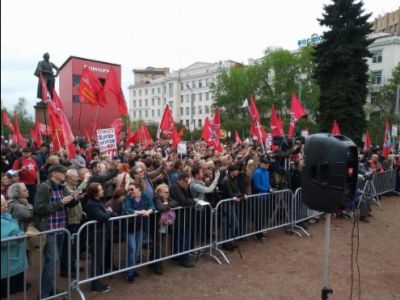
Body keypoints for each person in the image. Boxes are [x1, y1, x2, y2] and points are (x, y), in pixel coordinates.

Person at [33, 164, 78, 298]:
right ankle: (43, 294)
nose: (65, 174)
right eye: (62, 172)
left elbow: (68, 204)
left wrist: (75, 199)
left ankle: (50, 289)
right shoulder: (44, 187)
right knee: (52, 261)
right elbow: (39, 209)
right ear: (54, 174)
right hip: (49, 229)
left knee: (54, 261)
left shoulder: (62, 187)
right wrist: (60, 203)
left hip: (60, 227)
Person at [1, 195, 34, 298]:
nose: (6, 204)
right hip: (5, 258)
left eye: (5, 202)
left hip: (15, 254)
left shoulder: (6, 215)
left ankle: (17, 286)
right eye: (2, 204)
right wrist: (22, 235)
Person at [124, 182, 155, 282]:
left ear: (138, 189)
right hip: (129, 227)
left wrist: (148, 211)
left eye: (132, 189)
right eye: (129, 190)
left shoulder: (145, 196)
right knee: (132, 248)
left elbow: (152, 206)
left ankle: (132, 269)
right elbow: (127, 208)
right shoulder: (128, 197)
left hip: (139, 226)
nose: (130, 191)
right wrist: (140, 212)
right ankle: (129, 273)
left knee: (137, 249)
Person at [85, 182, 113, 293]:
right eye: (100, 189)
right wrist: (109, 212)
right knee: (97, 261)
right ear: (94, 192)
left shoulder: (97, 201)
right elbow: (103, 217)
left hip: (101, 235)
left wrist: (108, 213)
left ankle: (98, 283)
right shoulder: (92, 204)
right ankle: (95, 285)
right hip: (96, 236)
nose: (102, 191)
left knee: (99, 261)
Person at [150, 184, 178, 275]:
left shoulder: (166, 198)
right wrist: (167, 205)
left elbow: (175, 202)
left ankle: (151, 263)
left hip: (163, 225)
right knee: (158, 245)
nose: (168, 194)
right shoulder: (157, 198)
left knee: (157, 244)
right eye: (166, 192)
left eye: (168, 192)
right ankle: (158, 267)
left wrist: (167, 204)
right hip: (156, 224)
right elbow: (160, 208)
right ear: (159, 192)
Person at [169, 172, 196, 268]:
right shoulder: (175, 187)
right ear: (179, 180)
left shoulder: (183, 187)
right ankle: (184, 258)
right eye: (185, 181)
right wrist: (194, 202)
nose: (186, 183)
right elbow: (184, 201)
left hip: (183, 217)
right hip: (181, 217)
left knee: (179, 237)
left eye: (187, 181)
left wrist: (191, 199)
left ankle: (177, 255)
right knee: (183, 237)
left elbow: (189, 198)